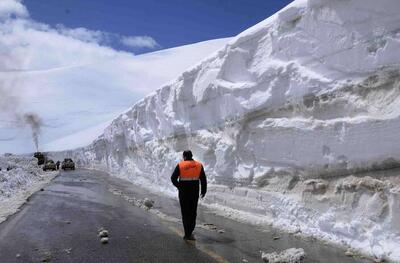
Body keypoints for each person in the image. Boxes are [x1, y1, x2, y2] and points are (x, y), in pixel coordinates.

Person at [171, 150, 207, 241]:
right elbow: (203, 179)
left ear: (184, 156)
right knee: (192, 212)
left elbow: (173, 178)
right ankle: (190, 231)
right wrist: (203, 190)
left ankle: (187, 233)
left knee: (185, 212)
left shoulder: (181, 165)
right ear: (191, 156)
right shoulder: (199, 165)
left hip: (184, 193)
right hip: (194, 193)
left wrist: (179, 186)